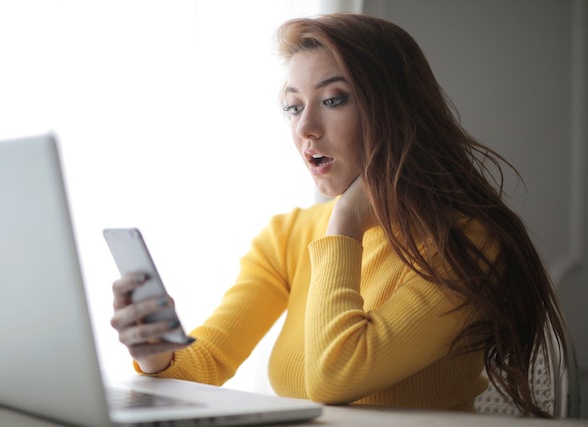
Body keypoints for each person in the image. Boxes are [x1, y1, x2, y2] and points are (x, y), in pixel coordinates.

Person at [110, 13, 569, 417]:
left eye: (333, 100)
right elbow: (204, 365)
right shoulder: (286, 235)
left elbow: (335, 377)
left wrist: (345, 223)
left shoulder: (466, 244)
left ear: (395, 111)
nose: (305, 128)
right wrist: (157, 354)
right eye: (293, 107)